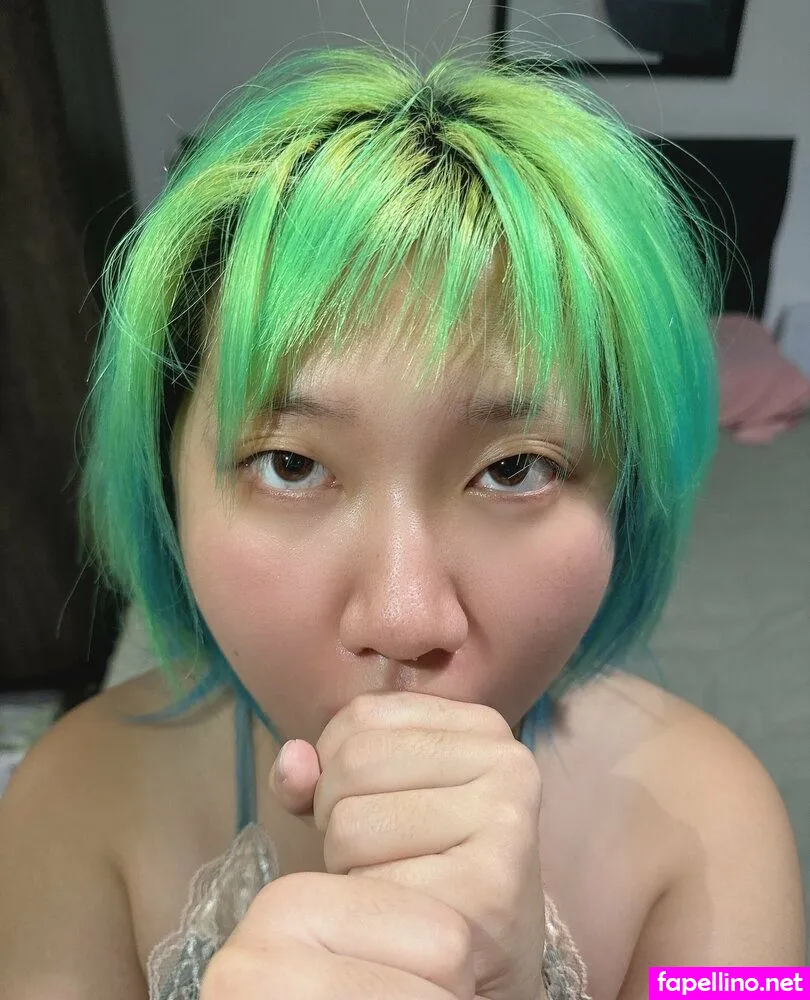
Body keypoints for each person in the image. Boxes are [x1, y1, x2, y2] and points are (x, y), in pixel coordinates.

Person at [0, 44, 804, 1000]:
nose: (405, 618)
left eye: (516, 469)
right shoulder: (70, 804)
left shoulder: (718, 828)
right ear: (169, 488)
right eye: (291, 464)